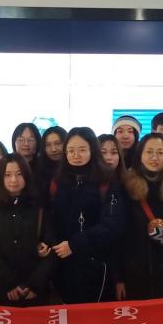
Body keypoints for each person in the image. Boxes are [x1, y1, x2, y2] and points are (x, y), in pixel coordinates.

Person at [50, 127, 125, 303]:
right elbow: (51, 219)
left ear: (93, 150)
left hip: (96, 263)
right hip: (62, 261)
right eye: (71, 150)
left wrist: (74, 244)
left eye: (82, 150)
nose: (76, 155)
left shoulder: (107, 181)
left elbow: (112, 224)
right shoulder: (57, 181)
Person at [114, 133, 163, 300]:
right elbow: (118, 236)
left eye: (160, 153)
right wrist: (118, 278)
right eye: (149, 152)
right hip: (134, 273)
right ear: (140, 154)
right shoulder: (125, 186)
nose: (155, 157)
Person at [0, 154, 54, 306]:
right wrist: (8, 283)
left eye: (19, 174)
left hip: (35, 292)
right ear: (0, 177)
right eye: (7, 175)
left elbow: (52, 246)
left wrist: (34, 284)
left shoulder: (39, 207)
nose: (14, 180)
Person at [35, 126, 66, 193]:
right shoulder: (38, 168)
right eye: (48, 145)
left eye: (57, 143)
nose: (53, 149)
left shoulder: (74, 166)